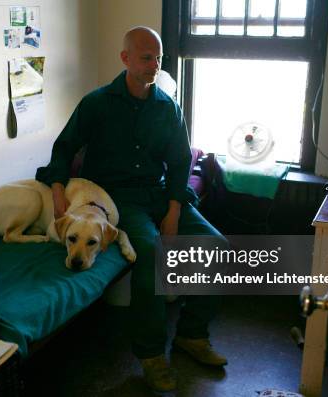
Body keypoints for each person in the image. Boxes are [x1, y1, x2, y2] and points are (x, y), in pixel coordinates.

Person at [36, 26, 227, 392]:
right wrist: (58, 189)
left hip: (159, 194)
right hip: (116, 200)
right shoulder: (96, 103)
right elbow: (63, 149)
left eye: (158, 58)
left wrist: (173, 210)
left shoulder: (168, 107)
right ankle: (152, 354)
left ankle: (191, 335)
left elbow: (180, 162)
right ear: (125, 58)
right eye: (146, 57)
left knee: (217, 247)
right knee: (152, 254)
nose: (154, 65)